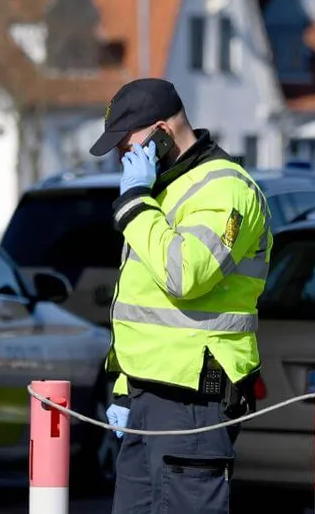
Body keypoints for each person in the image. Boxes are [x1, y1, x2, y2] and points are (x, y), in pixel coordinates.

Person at [89, 78, 271, 514]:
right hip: (147, 398)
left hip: (195, 397)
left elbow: (186, 273)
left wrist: (134, 203)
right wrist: (121, 388)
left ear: (160, 132)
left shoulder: (225, 190)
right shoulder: (163, 189)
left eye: (127, 143)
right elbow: (141, 308)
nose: (121, 156)